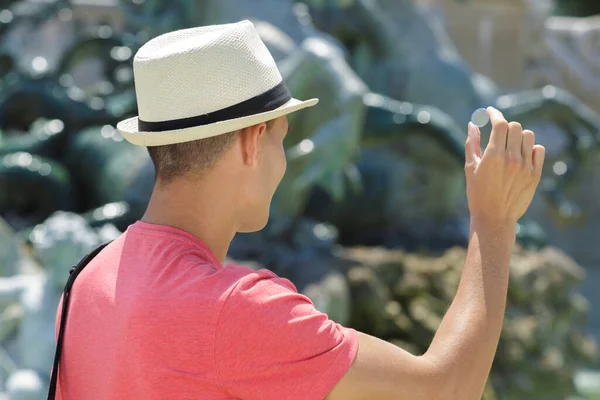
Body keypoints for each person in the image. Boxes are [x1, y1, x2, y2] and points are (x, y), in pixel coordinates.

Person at [54, 20, 546, 400]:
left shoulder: (87, 279)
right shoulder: (239, 312)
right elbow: (445, 388)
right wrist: (493, 223)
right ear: (252, 142)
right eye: (283, 140)